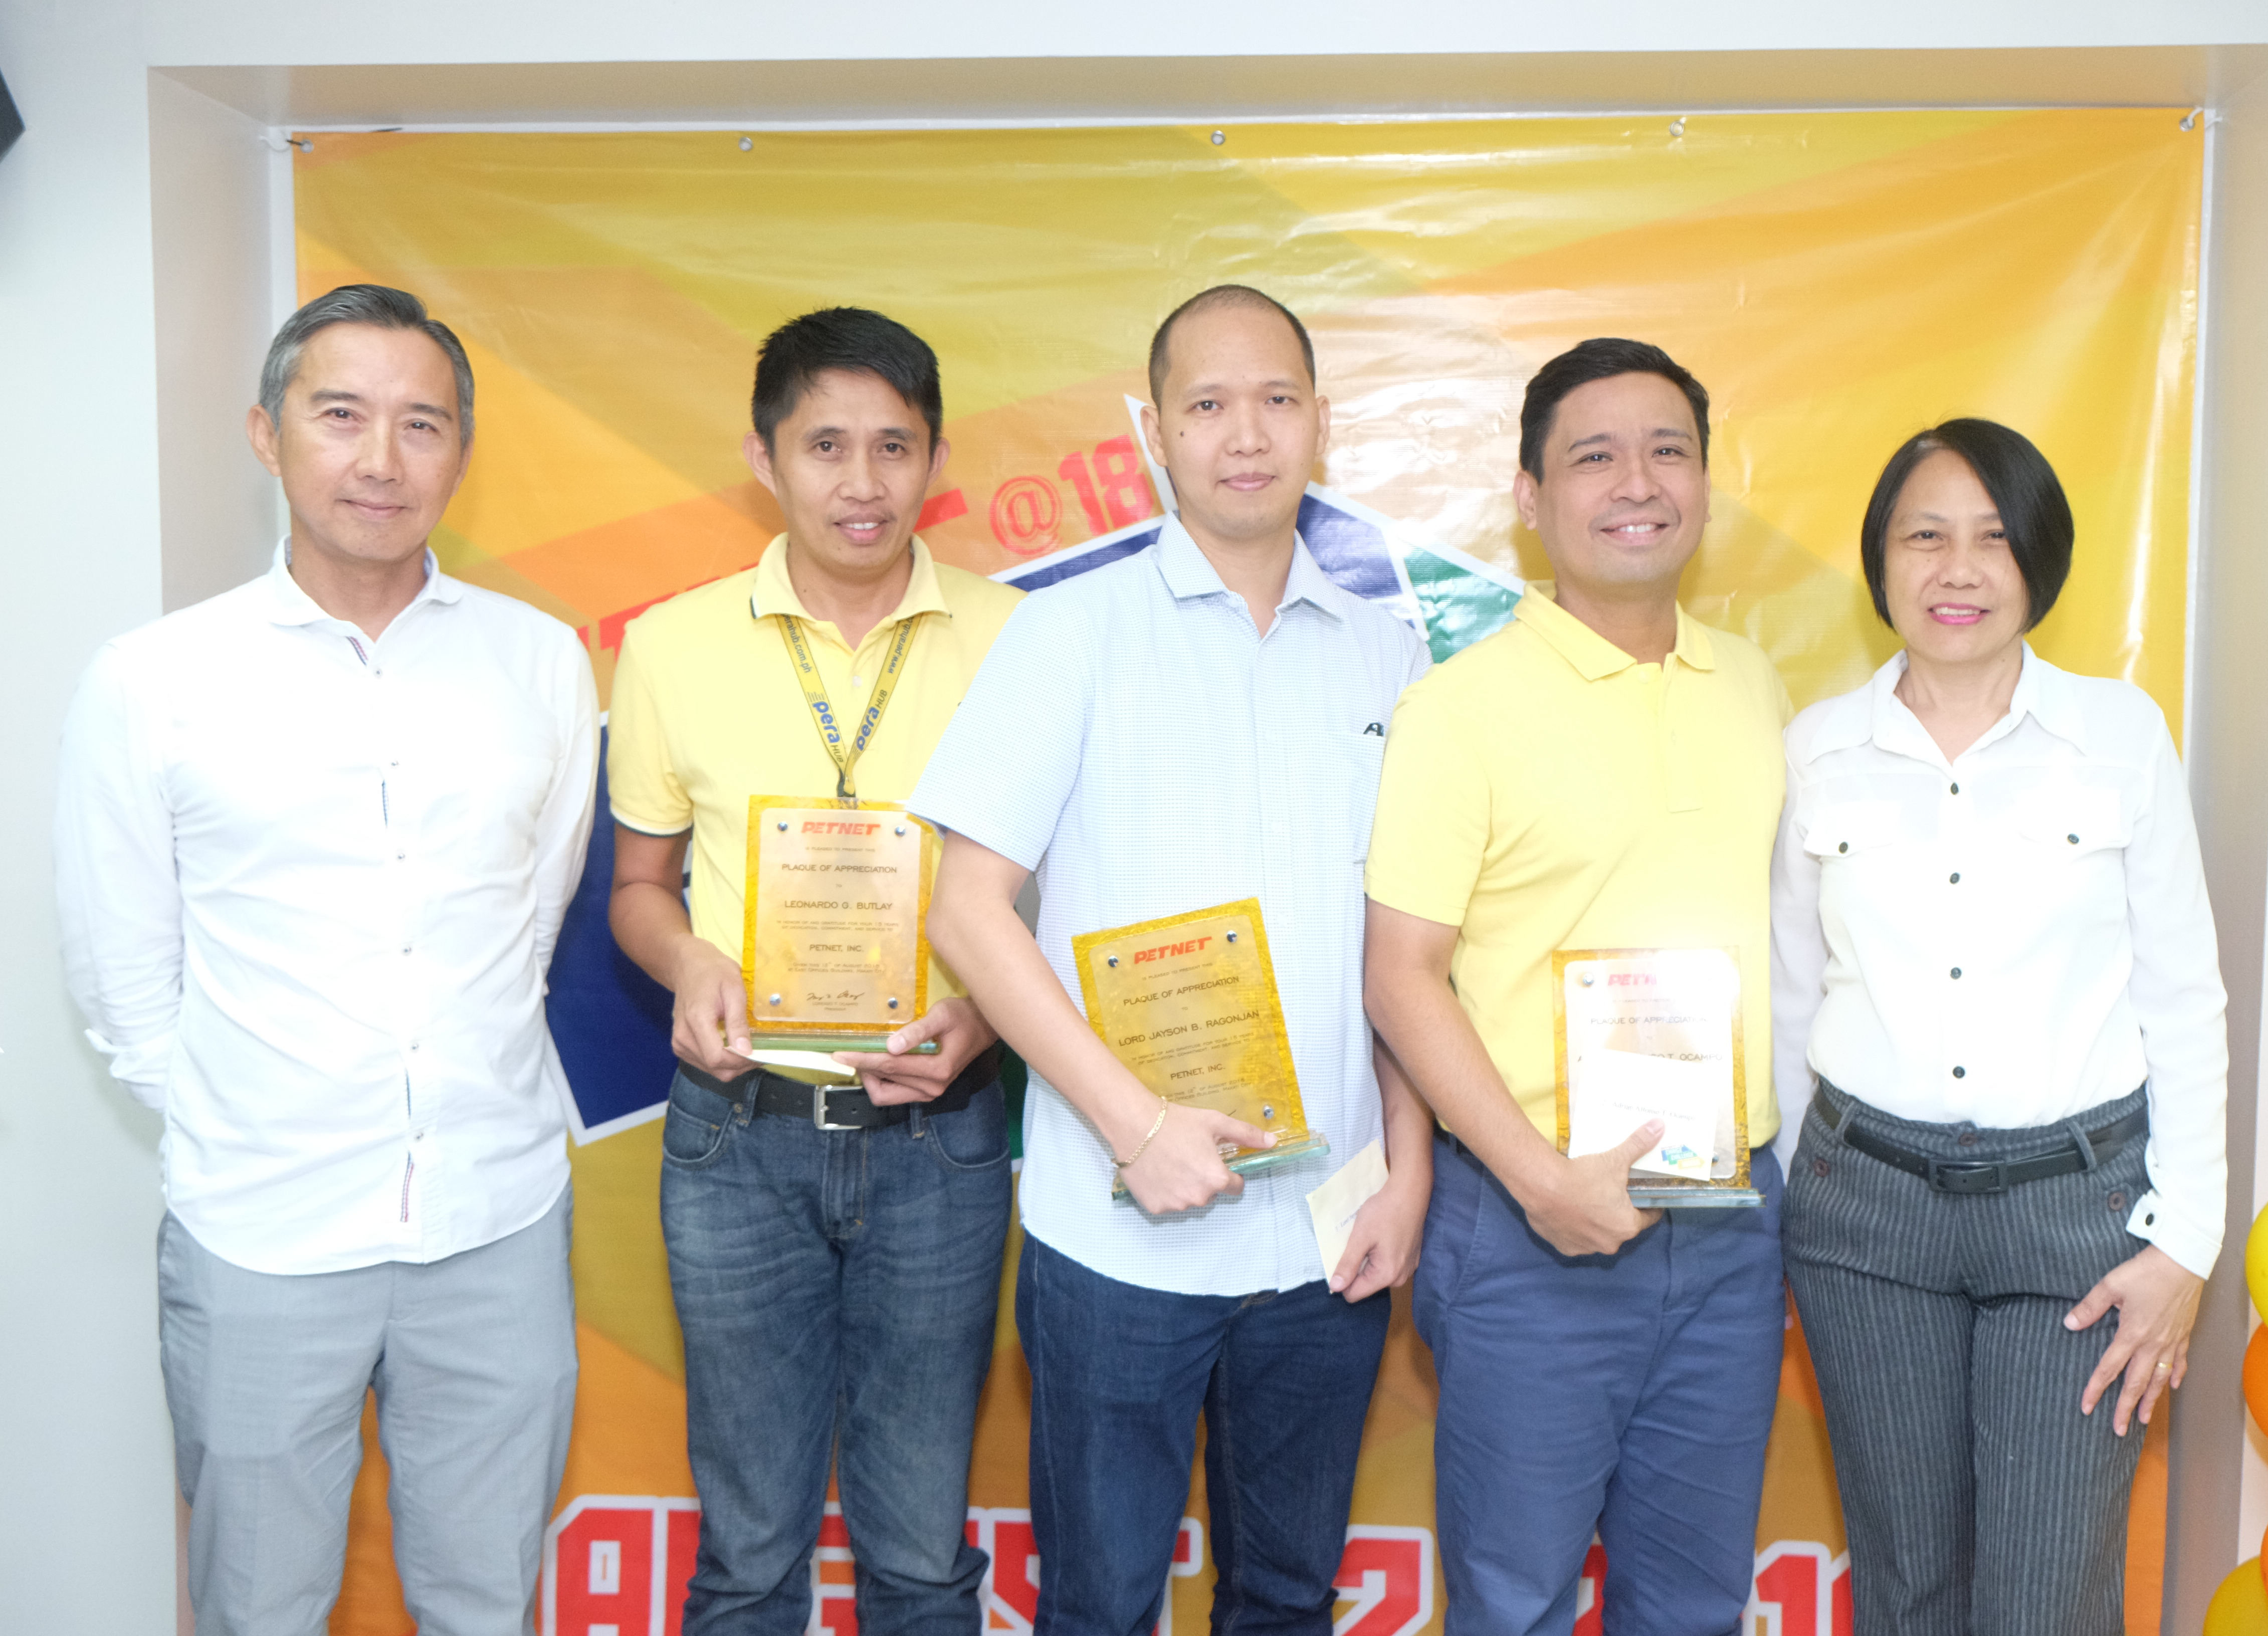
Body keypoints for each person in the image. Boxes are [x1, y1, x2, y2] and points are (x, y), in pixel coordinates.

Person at [54, 284, 597, 1635]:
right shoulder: (155, 677)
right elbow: (123, 974)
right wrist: (253, 1119)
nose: (381, 459)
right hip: (263, 1231)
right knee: (258, 1603)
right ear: (267, 432)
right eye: (342, 415)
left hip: (496, 1217)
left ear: (461, 454)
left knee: (485, 1599)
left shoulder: (539, 663)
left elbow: (526, 928)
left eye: (423, 425)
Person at [912, 284, 1431, 1633]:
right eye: (1207, 405)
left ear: (1322, 421)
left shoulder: (1393, 654)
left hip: (1331, 1239)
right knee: (1101, 1606)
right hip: (1117, 1230)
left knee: (1284, 1600)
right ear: (1154, 430)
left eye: (1274, 400)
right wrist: (1134, 1125)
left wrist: (1412, 1169)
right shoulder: (1068, 637)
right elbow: (969, 911)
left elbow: (1411, 950)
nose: (1243, 434)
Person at [1362, 338, 1791, 1631]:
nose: (1636, 483)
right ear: (1531, 497)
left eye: (1668, 450)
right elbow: (1401, 975)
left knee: (1695, 1604)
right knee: (1514, 1602)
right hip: (1529, 1228)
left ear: (1705, 485)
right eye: (1592, 455)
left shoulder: (1756, 688)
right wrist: (1542, 1183)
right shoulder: (1461, 706)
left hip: (1728, 1223)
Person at [1769, 419, 2224, 1635]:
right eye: (1925, 536)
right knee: (1906, 1586)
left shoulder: (2120, 736)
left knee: (2046, 1599)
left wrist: (2184, 1244)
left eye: (1991, 538)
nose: (1957, 570)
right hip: (1867, 1215)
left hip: (2075, 1217)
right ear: (1882, 563)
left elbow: (2184, 992)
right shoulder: (1820, 749)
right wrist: (1790, 1196)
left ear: (2039, 561)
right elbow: (1791, 993)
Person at [605, 307, 1019, 1634]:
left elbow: (1063, 895)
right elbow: (635, 889)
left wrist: (989, 1019)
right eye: (827, 444)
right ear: (764, 457)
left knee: (917, 1558)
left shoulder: (1023, 641)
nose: (864, 481)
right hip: (740, 1139)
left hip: (940, 1141)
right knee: (746, 1558)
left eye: (895, 446)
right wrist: (691, 965)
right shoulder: (672, 643)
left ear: (934, 458)